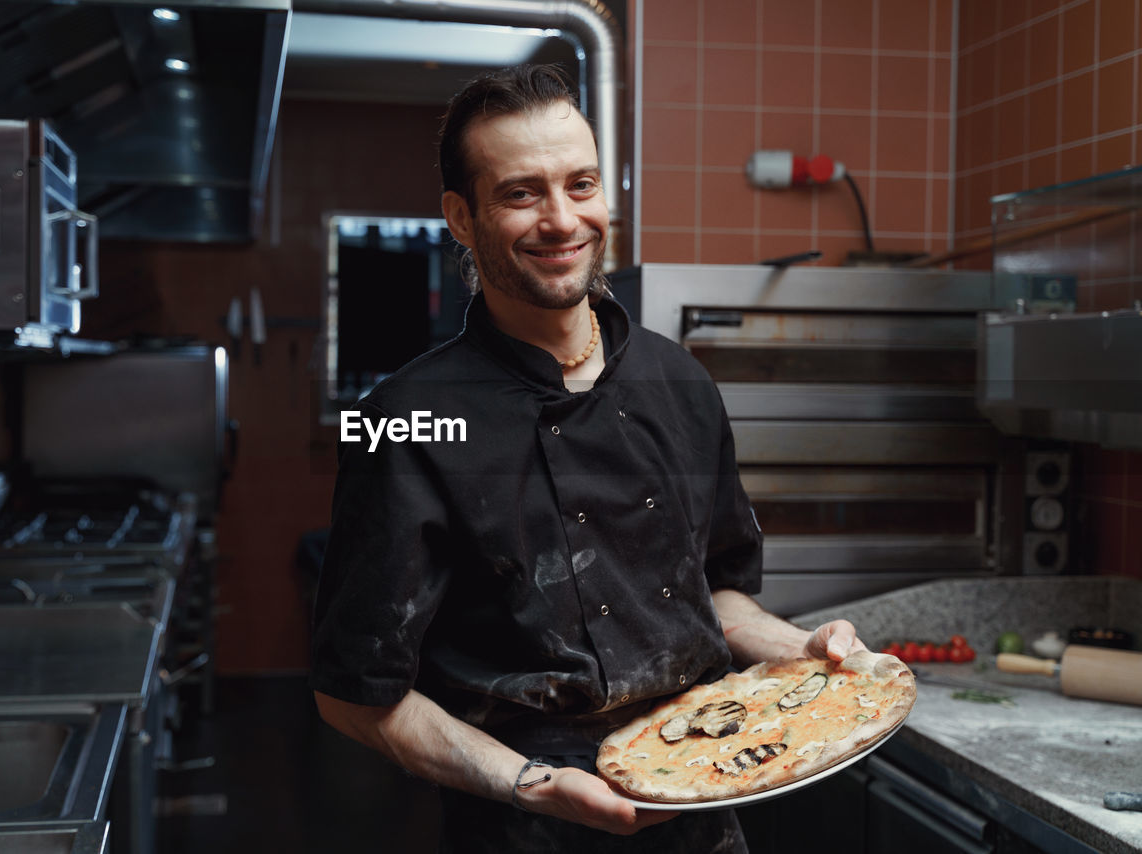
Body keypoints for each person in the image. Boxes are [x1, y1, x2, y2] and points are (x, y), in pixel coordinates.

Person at [310, 64, 866, 852]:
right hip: (521, 822)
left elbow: (718, 597)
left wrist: (799, 649)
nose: (562, 220)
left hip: (704, 802)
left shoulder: (683, 384)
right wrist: (531, 784)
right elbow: (353, 697)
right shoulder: (402, 420)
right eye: (522, 193)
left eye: (581, 184)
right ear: (460, 218)